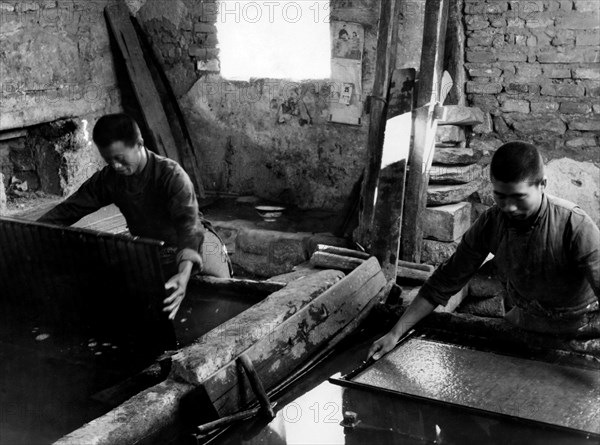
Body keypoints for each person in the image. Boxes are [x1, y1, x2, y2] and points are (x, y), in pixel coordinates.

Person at [368, 141, 600, 360]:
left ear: (543, 185)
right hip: (527, 324)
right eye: (500, 196)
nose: (509, 207)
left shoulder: (574, 225)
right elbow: (444, 281)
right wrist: (395, 333)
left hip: (581, 328)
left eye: (519, 197)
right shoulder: (492, 222)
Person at [38, 113, 231, 323]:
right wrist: (28, 231)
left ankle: (241, 354)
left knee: (224, 318)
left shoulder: (171, 175)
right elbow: (70, 209)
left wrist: (184, 273)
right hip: (157, 251)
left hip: (201, 247)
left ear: (139, 144)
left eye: (120, 158)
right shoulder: (110, 179)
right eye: (109, 160)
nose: (116, 166)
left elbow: (190, 228)